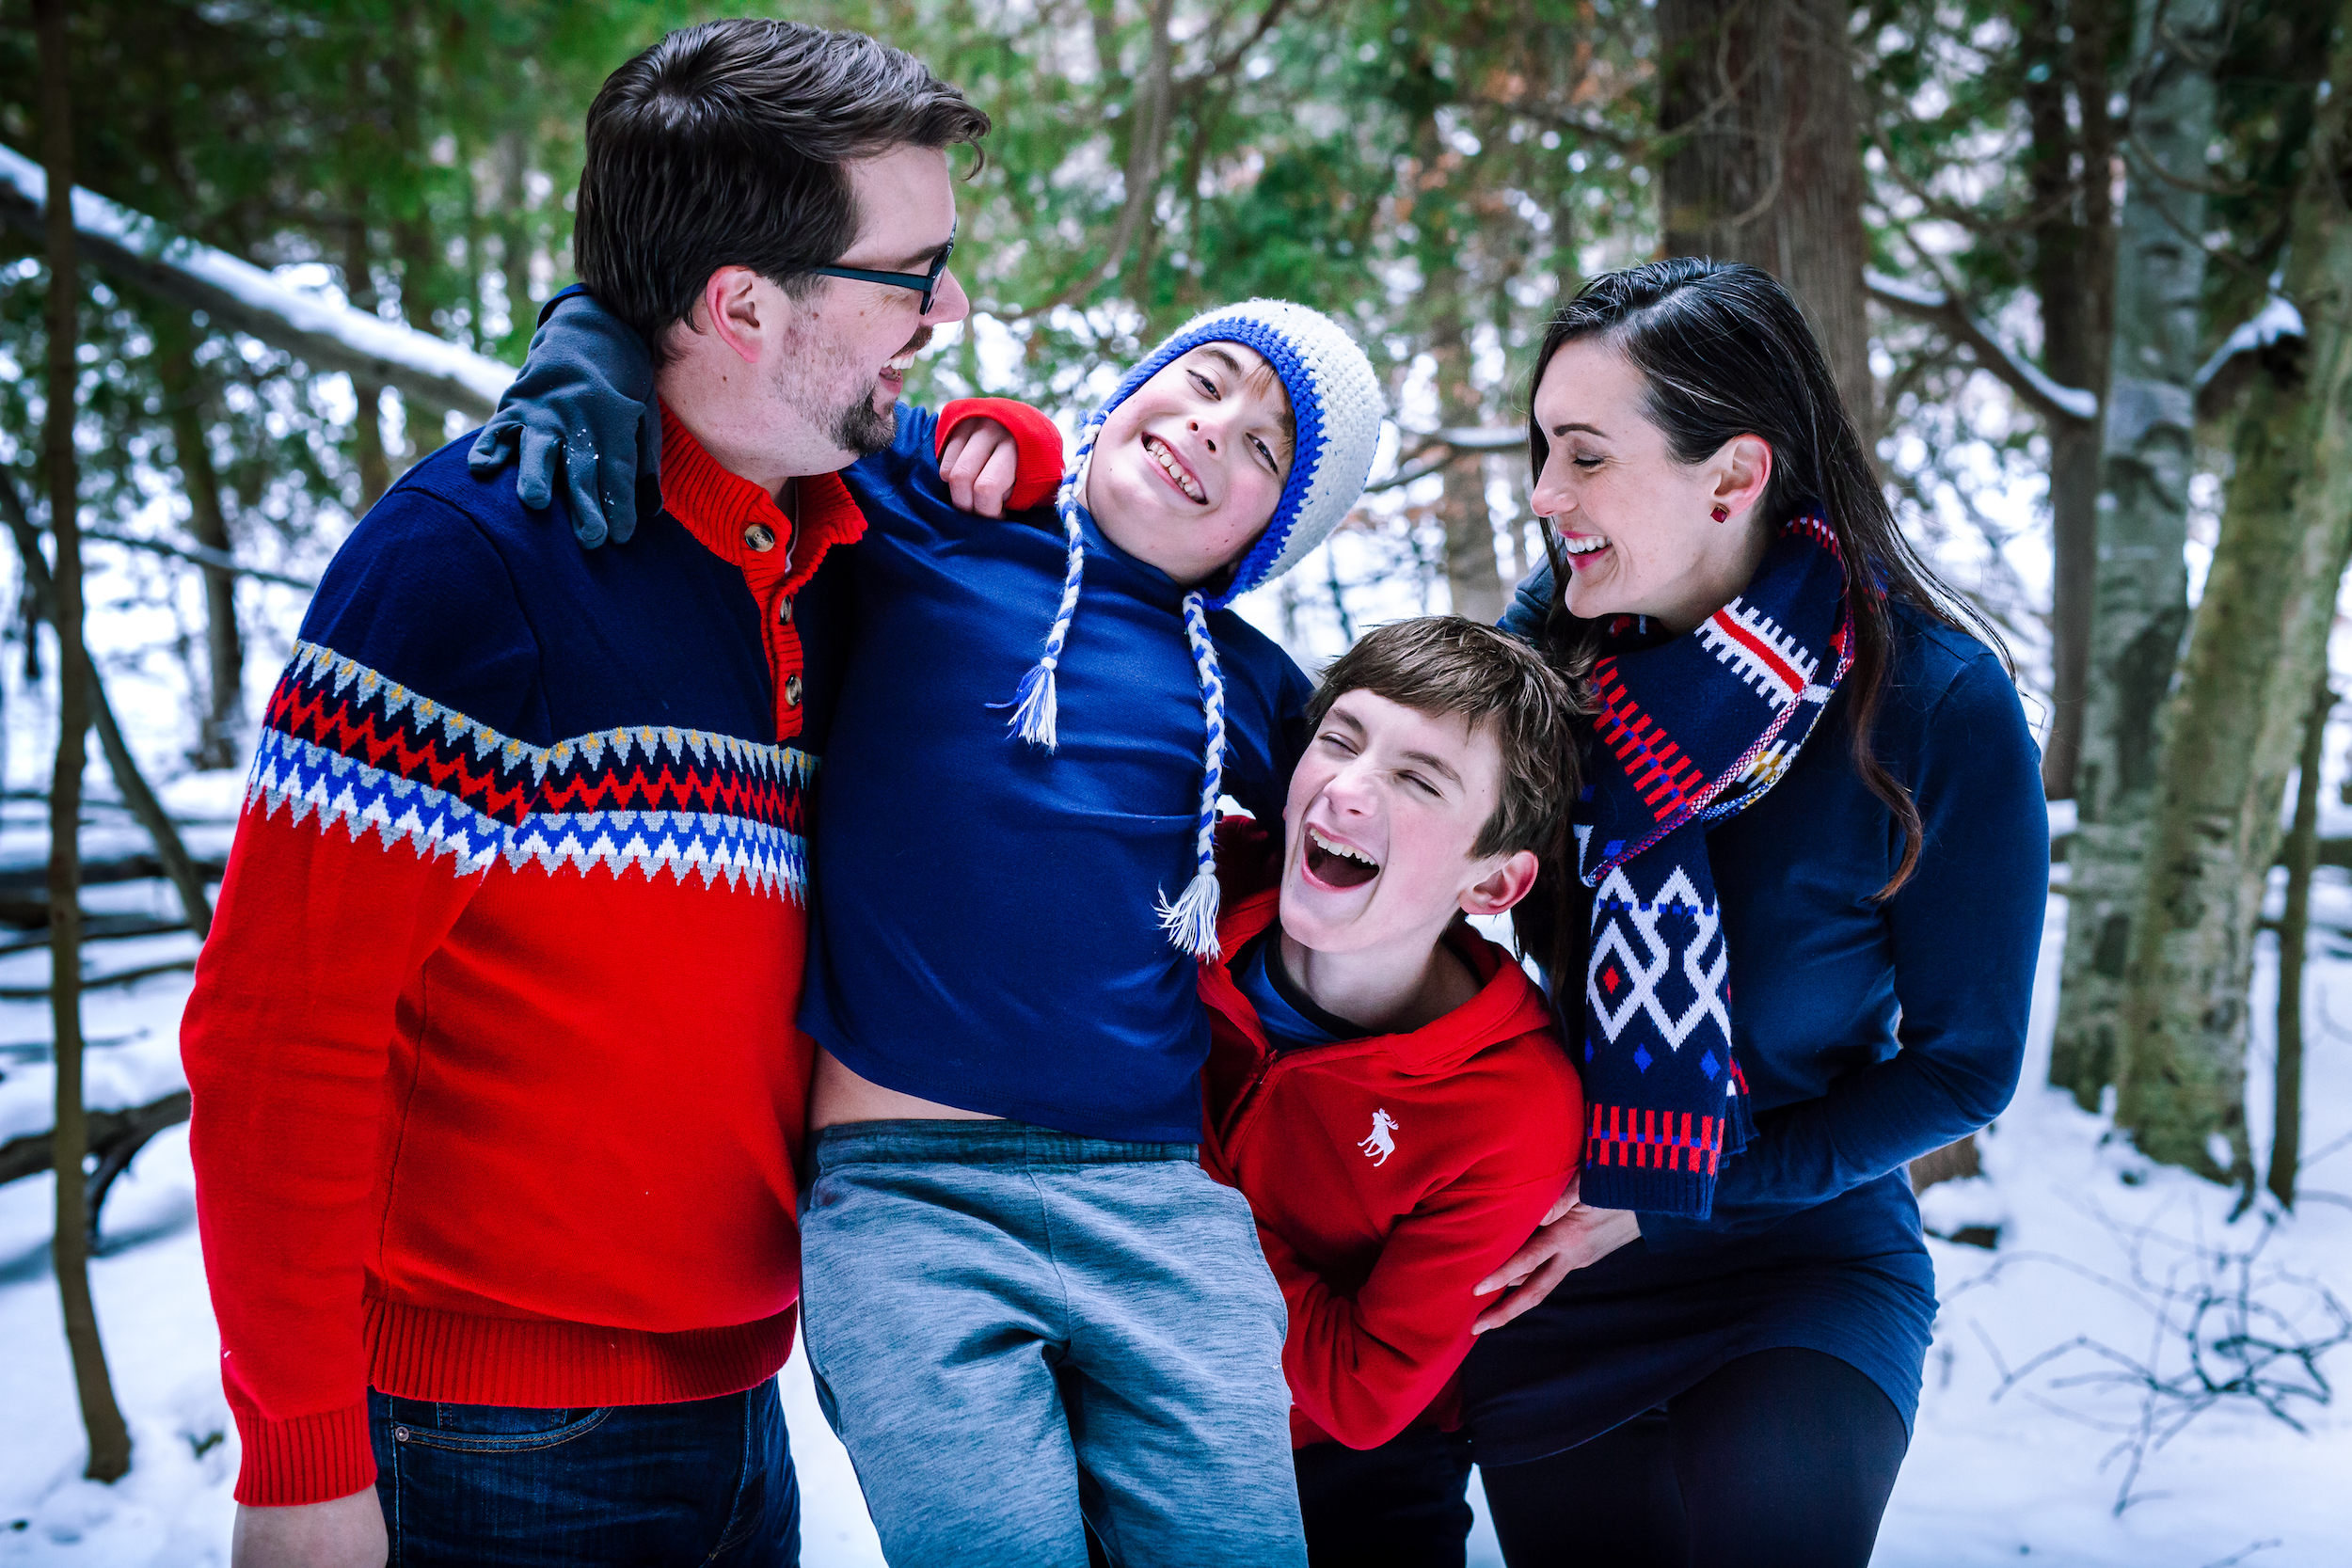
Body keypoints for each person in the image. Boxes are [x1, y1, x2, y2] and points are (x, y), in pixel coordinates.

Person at [180, 21, 988, 1567]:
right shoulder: (476, 562)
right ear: (743, 301)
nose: (951, 308)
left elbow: (1065, 489)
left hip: (742, 1407)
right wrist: (297, 1464)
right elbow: (278, 1039)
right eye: (914, 272)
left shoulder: (832, 531)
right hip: (494, 1444)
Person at [480, 293, 1385, 1565]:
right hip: (907, 1199)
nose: (1212, 427)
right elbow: (751, 344)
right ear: (1129, 390)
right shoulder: (938, 512)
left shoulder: (1233, 673)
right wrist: (584, 345)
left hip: (1157, 1202)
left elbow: (1414, 784)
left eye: (1266, 448)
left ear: (1265, 539)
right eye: (1209, 379)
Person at [1453, 258, 2048, 1568]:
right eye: (1543, 449)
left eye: (1585, 455)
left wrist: (1671, 1186)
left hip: (1797, 1253)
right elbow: (1395, 846)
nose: (1545, 496)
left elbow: (1967, 1063)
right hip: (1565, 1252)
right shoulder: (1545, 663)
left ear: (1733, 477)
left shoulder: (1932, 705)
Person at [1196, 617, 1586, 1568]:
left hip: (1339, 1474)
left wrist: (1172, 1181)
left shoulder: (1512, 1103)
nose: (1349, 784)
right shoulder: (1190, 883)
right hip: (1122, 1394)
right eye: (1339, 738)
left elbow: (1364, 1393)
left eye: (1419, 779)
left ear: (1493, 882)